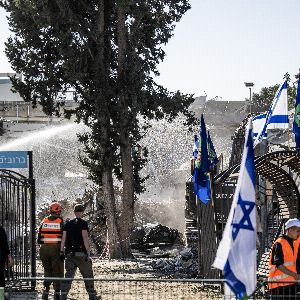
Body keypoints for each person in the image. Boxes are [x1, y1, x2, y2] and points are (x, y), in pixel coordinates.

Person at [60, 204, 100, 300]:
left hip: (69, 254)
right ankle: (92, 295)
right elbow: (85, 237)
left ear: (74, 212)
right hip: (81, 254)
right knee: (88, 275)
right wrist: (88, 252)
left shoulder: (67, 224)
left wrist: (62, 251)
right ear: (82, 212)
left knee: (68, 276)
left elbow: (64, 238)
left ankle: (63, 295)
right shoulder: (83, 223)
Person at [38, 202, 64, 300]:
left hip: (44, 248)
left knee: (47, 269)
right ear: (58, 211)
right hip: (56, 248)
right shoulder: (60, 221)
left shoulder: (44, 220)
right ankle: (57, 292)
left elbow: (39, 237)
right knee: (57, 269)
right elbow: (64, 235)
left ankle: (46, 290)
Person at [268, 218, 300, 299]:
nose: (299, 233)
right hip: (278, 285)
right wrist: (295, 275)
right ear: (290, 230)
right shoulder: (279, 243)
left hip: (290, 283)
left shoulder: (294, 243)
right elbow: (279, 265)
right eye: (298, 231)